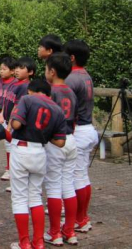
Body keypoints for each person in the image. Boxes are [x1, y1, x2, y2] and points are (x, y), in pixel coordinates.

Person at [8, 80, 67, 249]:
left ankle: (24, 242)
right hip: (40, 152)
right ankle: (39, 242)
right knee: (35, 197)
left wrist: (12, 118)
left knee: (19, 197)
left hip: (22, 149)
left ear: (31, 90)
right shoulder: (57, 109)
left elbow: (17, 124)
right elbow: (60, 142)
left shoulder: (27, 100)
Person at [64, 40, 99, 233]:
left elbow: (67, 108)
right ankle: (82, 217)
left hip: (77, 130)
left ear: (71, 58)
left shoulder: (71, 79)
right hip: (88, 129)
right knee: (83, 177)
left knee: (74, 179)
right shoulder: (86, 76)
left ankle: (77, 220)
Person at [44, 53, 79, 246]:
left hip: (55, 142)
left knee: (54, 187)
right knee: (68, 186)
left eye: (46, 69)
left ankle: (55, 232)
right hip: (71, 139)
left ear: (53, 71)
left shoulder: (51, 92)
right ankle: (70, 231)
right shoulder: (71, 91)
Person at [0, 57, 36, 190]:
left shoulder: (25, 86)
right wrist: (2, 114)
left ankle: (18, 183)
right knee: (12, 151)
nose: (17, 70)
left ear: (30, 72)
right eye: (17, 68)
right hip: (8, 121)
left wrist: (9, 126)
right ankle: (16, 181)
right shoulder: (14, 83)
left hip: (16, 124)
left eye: (21, 68)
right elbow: (7, 101)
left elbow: (17, 107)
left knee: (17, 154)